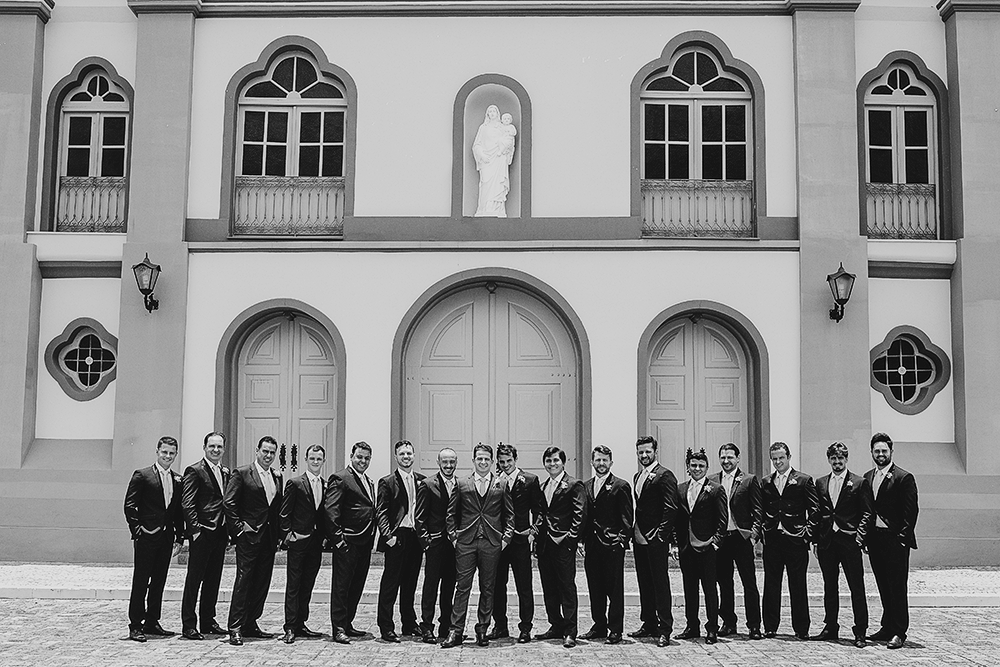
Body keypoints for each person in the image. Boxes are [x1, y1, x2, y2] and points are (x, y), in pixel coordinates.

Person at [441, 443, 513, 649]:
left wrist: (505, 539)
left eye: (486, 459)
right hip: (466, 543)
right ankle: (455, 631)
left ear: (492, 461)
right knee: (462, 587)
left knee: (488, 588)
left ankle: (482, 629)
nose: (483, 462)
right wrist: (454, 538)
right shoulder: (462, 483)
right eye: (479, 458)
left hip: (491, 543)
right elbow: (451, 513)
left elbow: (509, 515)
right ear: (473, 460)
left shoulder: (502, 484)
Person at [123, 435, 185, 642]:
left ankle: (152, 621)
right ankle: (135, 625)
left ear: (176, 455)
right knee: (141, 581)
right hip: (146, 536)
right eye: (164, 452)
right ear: (157, 451)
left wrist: (180, 536)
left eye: (171, 453)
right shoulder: (142, 475)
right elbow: (130, 505)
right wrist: (137, 531)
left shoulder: (178, 479)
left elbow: (177, 512)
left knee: (159, 581)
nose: (167, 456)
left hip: (166, 538)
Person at [860, 432, 918, 650]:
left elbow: (911, 511)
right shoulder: (867, 477)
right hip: (875, 540)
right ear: (871, 453)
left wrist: (902, 539)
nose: (881, 454)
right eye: (877, 451)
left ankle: (899, 631)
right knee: (883, 584)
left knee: (897, 586)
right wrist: (865, 538)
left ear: (891, 452)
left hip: (895, 540)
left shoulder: (904, 477)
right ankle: (887, 626)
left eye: (884, 450)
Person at [759, 441, 823, 639]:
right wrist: (763, 530)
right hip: (773, 540)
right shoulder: (766, 482)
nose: (778, 462)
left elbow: (815, 510)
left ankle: (801, 628)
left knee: (797, 585)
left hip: (796, 540)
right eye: (774, 459)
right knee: (771, 584)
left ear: (789, 457)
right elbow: (761, 509)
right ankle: (770, 626)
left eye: (781, 458)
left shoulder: (803, 480)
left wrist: (807, 534)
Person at [224, 435, 283, 645]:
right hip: (248, 537)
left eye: (272, 452)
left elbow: (276, 508)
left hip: (268, 538)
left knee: (261, 582)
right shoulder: (241, 473)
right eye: (265, 451)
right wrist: (238, 531)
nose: (268, 455)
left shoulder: (277, 476)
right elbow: (229, 503)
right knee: (244, 581)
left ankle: (251, 622)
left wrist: (279, 536)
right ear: (257, 450)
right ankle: (235, 627)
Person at [812, 441, 869, 648]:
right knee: (829, 586)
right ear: (829, 460)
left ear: (846, 459)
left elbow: (866, 513)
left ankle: (860, 630)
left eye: (841, 458)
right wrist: (815, 540)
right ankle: (830, 626)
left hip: (849, 541)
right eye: (834, 458)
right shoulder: (820, 482)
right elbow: (817, 513)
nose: (837, 462)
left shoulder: (859, 482)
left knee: (856, 587)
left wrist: (859, 538)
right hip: (827, 541)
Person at [533, 446, 587, 648]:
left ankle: (570, 631)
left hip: (563, 543)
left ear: (563, 462)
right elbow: (541, 514)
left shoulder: (574, 485)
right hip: (545, 545)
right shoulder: (543, 485)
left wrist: (571, 539)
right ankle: (556, 625)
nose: (552, 464)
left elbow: (580, 514)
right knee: (549, 587)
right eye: (548, 461)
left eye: (555, 460)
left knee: (566, 587)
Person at [488, 442, 541, 643]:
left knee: (524, 586)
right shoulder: (494, 481)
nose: (506, 465)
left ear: (515, 459)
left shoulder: (530, 480)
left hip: (520, 540)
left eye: (509, 461)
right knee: (497, 585)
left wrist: (533, 532)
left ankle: (525, 627)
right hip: (499, 542)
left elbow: (538, 510)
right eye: (502, 462)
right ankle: (500, 625)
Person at [673, 449, 728, 645]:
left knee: (710, 589)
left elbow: (722, 519)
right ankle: (692, 626)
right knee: (689, 589)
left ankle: (712, 628)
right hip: (686, 547)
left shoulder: (716, 489)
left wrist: (716, 542)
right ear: (688, 467)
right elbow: (676, 519)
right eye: (693, 465)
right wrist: (675, 543)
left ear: (707, 468)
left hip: (707, 547)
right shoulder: (680, 489)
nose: (697, 469)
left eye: (701, 466)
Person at [180, 431, 230, 640]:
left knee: (213, 580)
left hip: (220, 534)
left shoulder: (226, 472)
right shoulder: (195, 471)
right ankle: (189, 625)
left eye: (219, 447)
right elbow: (187, 503)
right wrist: (195, 532)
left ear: (224, 449)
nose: (216, 450)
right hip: (202, 534)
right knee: (194, 580)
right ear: (204, 448)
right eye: (212, 446)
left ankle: (208, 621)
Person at [325, 441, 377, 645]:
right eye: (359, 457)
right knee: (341, 587)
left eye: (366, 458)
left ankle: (347, 623)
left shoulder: (368, 481)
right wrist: (338, 540)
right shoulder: (341, 478)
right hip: (347, 542)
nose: (363, 461)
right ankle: (338, 628)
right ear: (351, 456)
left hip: (364, 542)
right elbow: (331, 511)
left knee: (357, 585)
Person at [581, 444, 633, 645]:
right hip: (592, 545)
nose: (601, 463)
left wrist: (621, 541)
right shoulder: (585, 486)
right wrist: (582, 540)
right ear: (592, 462)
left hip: (612, 545)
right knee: (595, 588)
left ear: (611, 462)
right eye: (598, 460)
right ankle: (599, 626)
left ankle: (615, 629)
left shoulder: (621, 485)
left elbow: (627, 517)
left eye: (605, 460)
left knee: (614, 589)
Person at [710, 442, 763, 639]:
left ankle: (754, 625)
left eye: (730, 457)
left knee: (749, 583)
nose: (726, 461)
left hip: (741, 538)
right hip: (722, 540)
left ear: (738, 458)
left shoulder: (748, 480)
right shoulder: (712, 480)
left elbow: (758, 510)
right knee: (724, 583)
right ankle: (728, 622)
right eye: (723, 457)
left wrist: (753, 536)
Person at [629, 435, 678, 647]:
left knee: (660, 583)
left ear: (655, 452)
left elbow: (671, 508)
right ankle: (649, 623)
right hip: (639, 538)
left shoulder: (665, 475)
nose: (644, 455)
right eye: (640, 452)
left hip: (656, 539)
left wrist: (661, 536)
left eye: (648, 451)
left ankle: (665, 628)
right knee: (644, 582)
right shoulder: (637, 476)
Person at [375, 440, 426, 642]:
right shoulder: (387, 482)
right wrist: (388, 537)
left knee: (410, 583)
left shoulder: (422, 481)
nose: (406, 457)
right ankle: (386, 626)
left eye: (409, 453)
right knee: (391, 584)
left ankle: (409, 623)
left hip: (415, 537)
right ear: (396, 457)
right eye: (402, 454)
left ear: (414, 455)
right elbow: (381, 511)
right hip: (397, 537)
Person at [278, 444, 328, 644]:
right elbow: (284, 513)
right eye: (312, 458)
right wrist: (288, 536)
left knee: (307, 585)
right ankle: (290, 626)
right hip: (297, 542)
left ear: (323, 461)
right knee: (294, 586)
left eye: (319, 459)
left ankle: (301, 623)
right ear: (306, 460)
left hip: (315, 544)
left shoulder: (326, 484)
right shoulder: (295, 483)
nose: (315, 462)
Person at [416, 448, 459, 644]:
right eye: (445, 462)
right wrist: (426, 543)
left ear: (456, 463)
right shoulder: (427, 484)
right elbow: (420, 517)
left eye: (452, 462)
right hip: (434, 544)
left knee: (449, 587)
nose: (448, 465)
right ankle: (426, 626)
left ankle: (445, 626)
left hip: (453, 546)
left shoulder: (460, 484)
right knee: (431, 587)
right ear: (438, 462)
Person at [473, 104, 513, 217]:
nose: (492, 113)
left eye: (493, 111)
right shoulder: (483, 128)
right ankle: (484, 207)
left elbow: (509, 140)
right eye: (490, 111)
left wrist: (504, 148)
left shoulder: (502, 127)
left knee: (498, 184)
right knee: (486, 183)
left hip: (499, 159)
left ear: (497, 113)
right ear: (487, 114)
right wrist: (482, 155)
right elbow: (476, 145)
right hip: (486, 160)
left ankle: (496, 208)